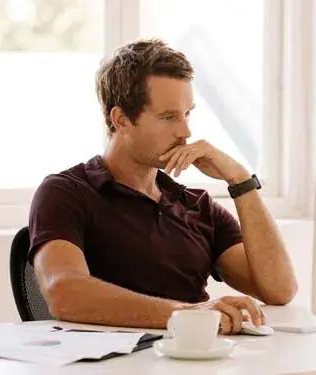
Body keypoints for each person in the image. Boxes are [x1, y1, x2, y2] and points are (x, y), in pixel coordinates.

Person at [27, 38, 298, 334]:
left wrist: (241, 180)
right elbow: (64, 293)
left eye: (188, 113)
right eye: (168, 117)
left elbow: (280, 290)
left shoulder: (196, 205)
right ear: (121, 120)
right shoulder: (66, 193)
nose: (186, 131)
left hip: (196, 360)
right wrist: (188, 314)